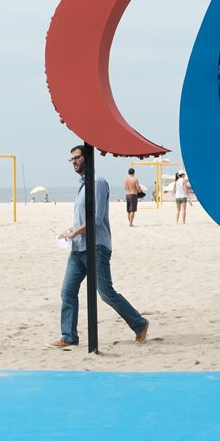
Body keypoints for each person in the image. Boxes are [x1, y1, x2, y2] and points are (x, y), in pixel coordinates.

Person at [49, 146, 150, 349]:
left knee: (106, 293)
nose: (74, 162)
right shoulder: (83, 184)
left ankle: (140, 323)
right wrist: (68, 231)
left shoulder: (98, 182)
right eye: (72, 160)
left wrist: (74, 232)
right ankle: (68, 336)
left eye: (77, 158)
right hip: (78, 249)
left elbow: (96, 218)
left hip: (96, 247)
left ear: (87, 158)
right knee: (67, 292)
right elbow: (81, 219)